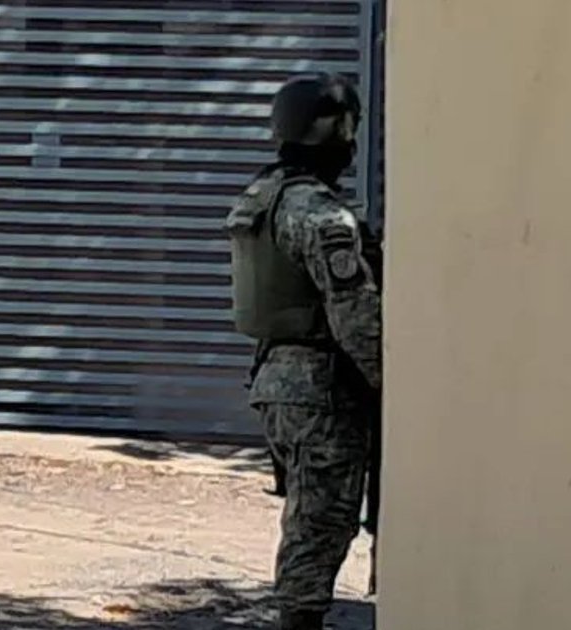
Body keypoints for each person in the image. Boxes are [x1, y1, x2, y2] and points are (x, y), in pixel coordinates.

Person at [225, 74, 382, 630]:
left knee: (307, 519)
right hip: (323, 390)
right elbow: (357, 317)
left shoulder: (261, 196)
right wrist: (400, 387)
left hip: (276, 383)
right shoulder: (320, 214)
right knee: (322, 525)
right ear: (337, 137)